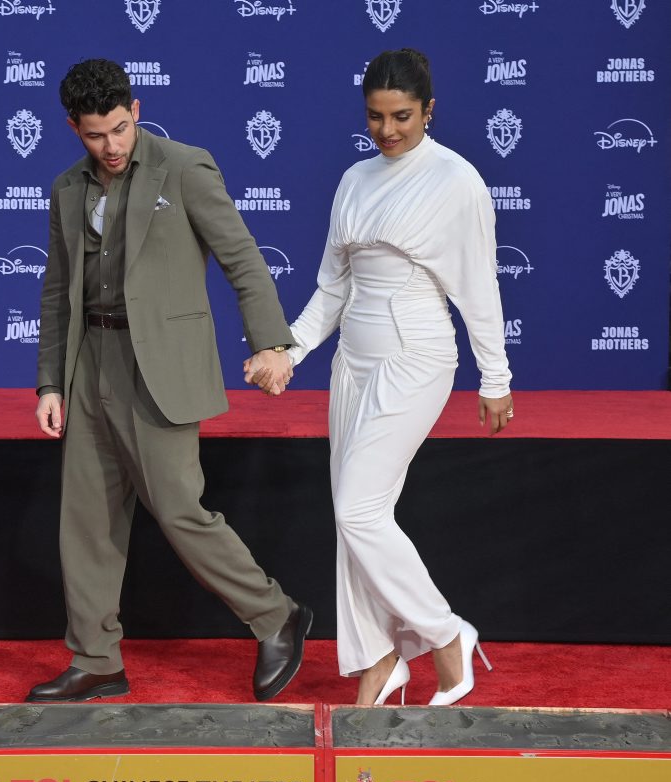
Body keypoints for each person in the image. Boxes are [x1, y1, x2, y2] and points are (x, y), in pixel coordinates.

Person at [27, 58, 310, 703]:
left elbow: (242, 257)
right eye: (96, 135)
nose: (112, 145)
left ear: (136, 110)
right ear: (74, 128)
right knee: (87, 521)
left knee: (181, 509)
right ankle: (96, 659)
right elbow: (56, 291)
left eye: (120, 128)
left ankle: (276, 616)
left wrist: (270, 344)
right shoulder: (67, 188)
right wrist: (50, 382)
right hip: (88, 363)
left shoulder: (184, 167)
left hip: (159, 364)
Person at [247, 48, 513, 706]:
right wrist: (288, 351)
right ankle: (379, 659)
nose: (387, 130)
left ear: (429, 110)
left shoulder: (457, 180)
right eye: (375, 116)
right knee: (355, 518)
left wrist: (495, 377)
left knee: (359, 509)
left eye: (401, 116)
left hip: (416, 356)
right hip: (352, 364)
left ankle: (446, 636)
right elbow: (332, 289)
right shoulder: (354, 179)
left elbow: (479, 287)